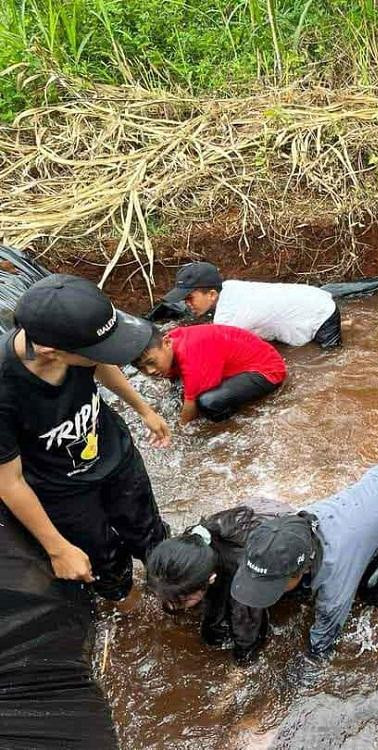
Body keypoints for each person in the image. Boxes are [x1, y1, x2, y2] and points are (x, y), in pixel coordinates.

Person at [0, 274, 171, 600]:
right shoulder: (5, 388)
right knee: (106, 565)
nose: (109, 354)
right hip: (63, 492)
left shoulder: (76, 344)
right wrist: (57, 548)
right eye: (99, 349)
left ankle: (167, 591)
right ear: (51, 351)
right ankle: (127, 603)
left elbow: (101, 364)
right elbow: (9, 482)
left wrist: (144, 409)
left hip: (116, 457)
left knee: (151, 535)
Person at [230, 461, 378, 661]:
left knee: (373, 590)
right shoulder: (282, 530)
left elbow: (322, 645)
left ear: (302, 569)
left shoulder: (335, 584)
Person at [146, 504, 288, 665]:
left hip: (277, 533)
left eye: (181, 600)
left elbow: (249, 634)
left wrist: (241, 664)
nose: (170, 606)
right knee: (212, 632)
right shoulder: (191, 546)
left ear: (210, 579)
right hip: (258, 516)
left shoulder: (243, 579)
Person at [162, 261, 342, 348]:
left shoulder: (228, 319)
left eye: (190, 298)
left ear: (211, 294)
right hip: (306, 301)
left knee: (329, 359)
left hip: (320, 312)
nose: (187, 304)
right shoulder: (229, 287)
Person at [133, 323, 287, 424]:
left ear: (167, 342)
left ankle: (230, 425)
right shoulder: (170, 345)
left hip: (268, 370)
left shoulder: (191, 355)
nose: (150, 371)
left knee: (208, 403)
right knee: (178, 392)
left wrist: (176, 435)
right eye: (142, 368)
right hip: (240, 362)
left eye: (151, 362)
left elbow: (187, 419)